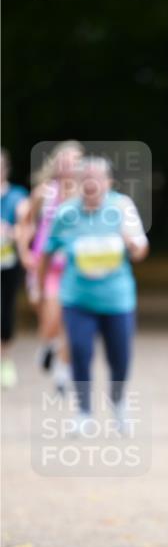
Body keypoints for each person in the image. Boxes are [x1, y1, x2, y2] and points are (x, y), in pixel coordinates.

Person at [39, 157, 149, 433]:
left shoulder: (122, 207)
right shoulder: (65, 213)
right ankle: (84, 412)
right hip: (77, 299)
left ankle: (118, 402)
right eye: (85, 178)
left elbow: (140, 251)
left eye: (96, 178)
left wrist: (130, 242)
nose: (90, 184)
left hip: (117, 300)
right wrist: (41, 289)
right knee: (79, 351)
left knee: (120, 357)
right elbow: (47, 251)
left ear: (108, 182)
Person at [16, 140, 83, 393]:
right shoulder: (44, 192)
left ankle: (62, 374)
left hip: (73, 264)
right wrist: (24, 251)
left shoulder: (85, 194)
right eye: (67, 161)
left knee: (70, 319)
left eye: (76, 161)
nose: (71, 166)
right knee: (50, 318)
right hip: (45, 264)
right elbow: (27, 224)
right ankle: (47, 346)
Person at [0, 149, 30, 389]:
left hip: (7, 263)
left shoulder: (18, 196)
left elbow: (26, 227)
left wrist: (9, 232)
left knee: (4, 311)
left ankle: (5, 359)